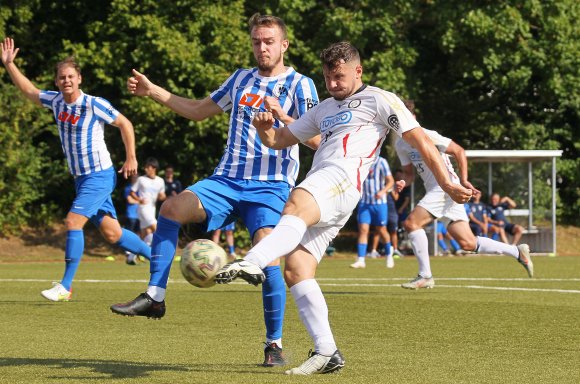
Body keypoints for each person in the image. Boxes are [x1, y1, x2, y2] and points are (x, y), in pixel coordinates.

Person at [214, 41, 473, 375]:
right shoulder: (322, 110)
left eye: (339, 76)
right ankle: (326, 351)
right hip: (330, 189)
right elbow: (279, 140)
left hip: (341, 180)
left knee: (294, 204)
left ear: (358, 70)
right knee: (296, 268)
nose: (333, 84)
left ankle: (253, 261)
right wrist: (265, 129)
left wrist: (449, 183)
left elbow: (421, 140)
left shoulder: (380, 99)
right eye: (327, 77)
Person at [109, 14, 319, 367]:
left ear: (284, 45)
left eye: (269, 41)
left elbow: (317, 139)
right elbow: (197, 110)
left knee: (267, 254)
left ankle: (274, 344)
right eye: (256, 41)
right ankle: (155, 296)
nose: (262, 48)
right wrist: (153, 91)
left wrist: (283, 116)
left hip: (271, 187)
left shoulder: (301, 85)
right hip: (225, 181)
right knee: (171, 208)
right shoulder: (240, 79)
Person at [1, 38, 152, 301]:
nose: (66, 81)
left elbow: (125, 124)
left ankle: (65, 287)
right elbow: (29, 91)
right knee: (112, 233)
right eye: (61, 77)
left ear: (79, 78)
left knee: (73, 222)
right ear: (57, 81)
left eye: (71, 76)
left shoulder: (94, 103)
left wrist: (131, 158)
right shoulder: (56, 101)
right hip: (81, 180)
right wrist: (9, 65)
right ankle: (158, 257)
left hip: (99, 176)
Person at [394, 104, 533, 290]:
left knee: (411, 223)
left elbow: (459, 151)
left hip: (447, 188)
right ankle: (517, 251)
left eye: (406, 116)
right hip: (437, 191)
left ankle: (425, 275)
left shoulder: (428, 135)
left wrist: (464, 180)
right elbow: (408, 174)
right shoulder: (400, 143)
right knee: (468, 243)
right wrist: (403, 182)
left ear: (413, 117)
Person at [350, 156, 395, 269]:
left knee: (381, 230)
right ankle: (361, 259)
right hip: (364, 202)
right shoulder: (361, 161)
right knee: (363, 230)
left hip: (380, 203)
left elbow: (391, 181)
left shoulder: (382, 161)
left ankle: (389, 255)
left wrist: (383, 191)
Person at [130, 157, 166, 248]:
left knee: (145, 233)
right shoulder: (141, 179)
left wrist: (162, 197)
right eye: (145, 167)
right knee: (157, 228)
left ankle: (133, 255)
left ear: (154, 168)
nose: (145, 169)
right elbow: (132, 192)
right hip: (143, 208)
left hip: (152, 208)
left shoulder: (160, 181)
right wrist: (139, 200)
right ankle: (164, 249)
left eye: (148, 167)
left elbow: (162, 195)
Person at [124, 174, 142, 265]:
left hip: (139, 215)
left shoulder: (141, 189)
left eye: (137, 177)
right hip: (131, 215)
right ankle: (128, 252)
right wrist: (141, 201)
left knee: (138, 234)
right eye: (134, 177)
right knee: (129, 234)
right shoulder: (129, 188)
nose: (135, 179)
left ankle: (135, 253)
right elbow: (130, 200)